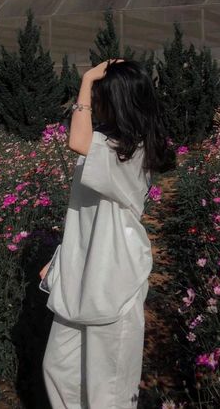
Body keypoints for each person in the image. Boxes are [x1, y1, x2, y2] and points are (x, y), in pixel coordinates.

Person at [40, 58, 176, 409]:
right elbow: (84, 214)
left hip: (113, 277)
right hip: (81, 272)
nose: (95, 102)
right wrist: (61, 258)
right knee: (59, 368)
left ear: (117, 100)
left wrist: (85, 81)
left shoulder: (132, 152)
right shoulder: (105, 142)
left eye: (101, 95)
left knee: (107, 391)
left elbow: (77, 140)